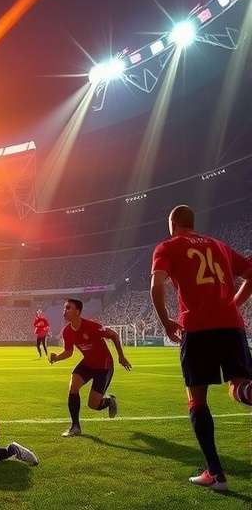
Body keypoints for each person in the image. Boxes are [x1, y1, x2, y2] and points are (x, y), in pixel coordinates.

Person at [150, 204, 252, 491]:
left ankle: (216, 474)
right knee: (239, 389)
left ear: (173, 223)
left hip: (197, 328)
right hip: (232, 327)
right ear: (192, 223)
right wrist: (234, 304)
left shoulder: (168, 247)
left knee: (197, 400)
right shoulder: (220, 246)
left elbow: (157, 286)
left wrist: (167, 322)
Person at [50, 298, 132, 437]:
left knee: (93, 405)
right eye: (64, 308)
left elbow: (113, 335)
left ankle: (109, 401)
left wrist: (121, 357)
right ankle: (75, 427)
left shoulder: (92, 326)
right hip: (87, 363)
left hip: (104, 367)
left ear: (77, 311)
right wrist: (56, 358)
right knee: (73, 386)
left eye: (68, 308)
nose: (65, 311)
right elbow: (69, 352)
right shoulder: (67, 331)